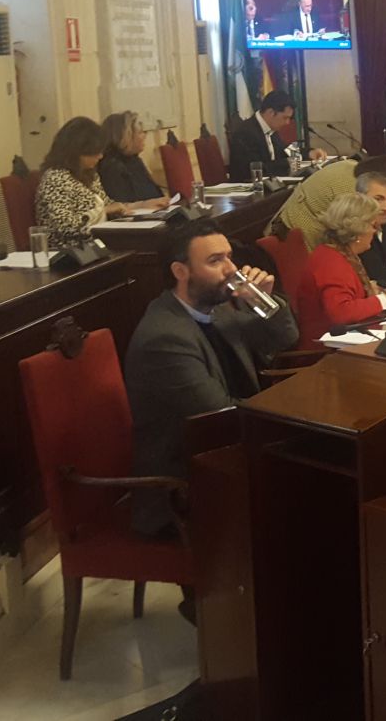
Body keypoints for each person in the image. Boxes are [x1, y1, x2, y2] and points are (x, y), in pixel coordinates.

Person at [124, 218, 298, 538]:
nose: (232, 269)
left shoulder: (216, 307)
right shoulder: (165, 338)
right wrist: (293, 421)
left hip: (226, 455)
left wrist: (265, 300)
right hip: (186, 489)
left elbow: (283, 339)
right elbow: (220, 417)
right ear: (181, 271)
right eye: (215, 261)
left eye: (229, 256)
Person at [293, 193, 386, 348]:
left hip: (351, 341)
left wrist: (369, 289)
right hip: (327, 353)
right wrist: (383, 301)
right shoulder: (331, 263)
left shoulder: (339, 253)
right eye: (373, 225)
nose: (376, 230)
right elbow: (340, 312)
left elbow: (345, 294)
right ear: (358, 231)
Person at [36, 116, 152, 248]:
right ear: (77, 151)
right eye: (94, 152)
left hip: (96, 243)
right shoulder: (55, 179)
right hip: (70, 249)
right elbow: (64, 227)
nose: (100, 156)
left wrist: (121, 209)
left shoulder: (89, 174)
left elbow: (107, 204)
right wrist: (105, 211)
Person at [270, 155, 386, 250]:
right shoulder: (355, 191)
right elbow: (361, 237)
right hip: (300, 243)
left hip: (288, 231)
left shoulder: (350, 167)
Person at [228, 90, 323, 182]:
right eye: (285, 118)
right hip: (250, 190)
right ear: (271, 113)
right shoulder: (246, 132)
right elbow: (256, 168)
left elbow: (285, 150)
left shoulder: (270, 129)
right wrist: (288, 163)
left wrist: (309, 152)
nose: (287, 123)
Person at [97, 112, 167, 203]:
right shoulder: (111, 167)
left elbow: (155, 194)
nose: (144, 136)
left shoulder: (135, 160)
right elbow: (123, 204)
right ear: (126, 137)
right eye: (140, 132)